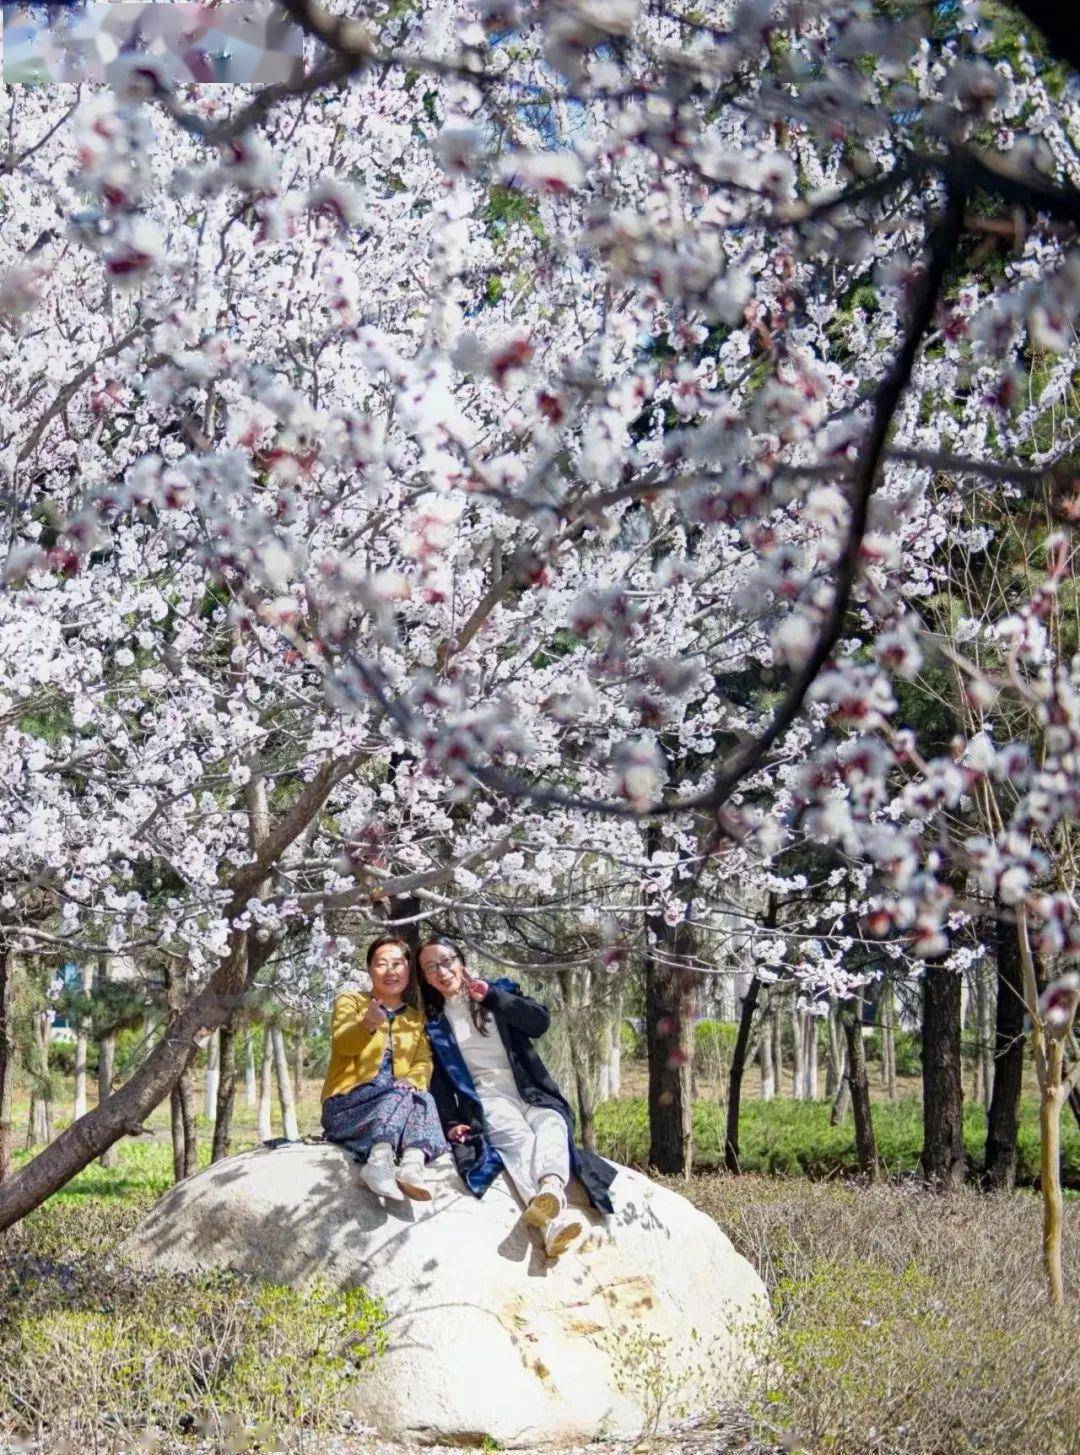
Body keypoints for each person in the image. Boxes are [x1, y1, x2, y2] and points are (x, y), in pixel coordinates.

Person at [418, 933, 616, 1258]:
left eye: (446, 961)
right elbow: (439, 1079)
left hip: (530, 1090)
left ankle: (551, 1189)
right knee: (517, 1138)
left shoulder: (497, 990)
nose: (442, 971)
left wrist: (492, 996)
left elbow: (540, 1023)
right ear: (425, 978)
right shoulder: (436, 1025)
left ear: (460, 961)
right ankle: (553, 1221)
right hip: (488, 1097)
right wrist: (451, 1121)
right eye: (430, 967)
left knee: (552, 1124)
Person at [321, 935, 448, 1203]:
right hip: (348, 1105)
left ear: (408, 970)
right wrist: (366, 1024)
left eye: (398, 964)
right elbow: (343, 1043)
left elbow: (424, 1060)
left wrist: (413, 1079)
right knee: (399, 1094)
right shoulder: (350, 1002)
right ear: (369, 969)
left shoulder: (415, 1018)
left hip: (399, 1100)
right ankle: (379, 1161)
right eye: (381, 964)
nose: (390, 971)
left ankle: (412, 1164)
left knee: (422, 1097)